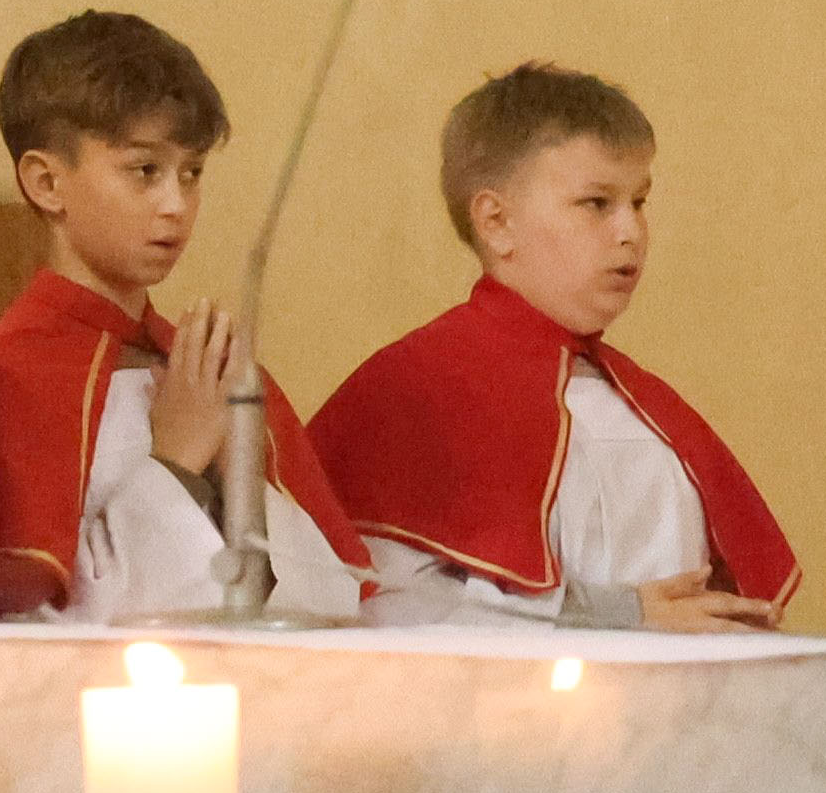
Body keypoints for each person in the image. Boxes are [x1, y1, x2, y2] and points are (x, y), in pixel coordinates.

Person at [317, 63, 796, 630]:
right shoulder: (414, 389)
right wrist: (618, 616)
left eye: (639, 202)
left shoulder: (649, 409)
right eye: (596, 203)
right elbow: (391, 605)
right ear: (497, 222)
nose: (630, 232)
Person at [0, 10, 362, 622]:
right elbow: (45, 621)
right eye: (145, 171)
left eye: (191, 173)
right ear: (46, 183)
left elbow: (338, 600)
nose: (176, 204)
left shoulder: (206, 368)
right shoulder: (10, 378)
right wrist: (176, 462)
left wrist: (239, 476)